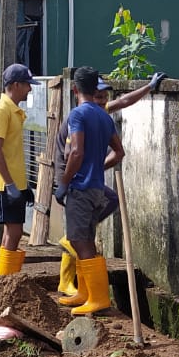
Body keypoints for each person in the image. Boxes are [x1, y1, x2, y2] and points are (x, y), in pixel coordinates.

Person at [54, 70, 167, 296]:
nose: (104, 100)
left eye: (105, 96)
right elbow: (70, 154)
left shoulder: (98, 113)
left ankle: (88, 292)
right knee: (76, 237)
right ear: (88, 94)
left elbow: (124, 101)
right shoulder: (79, 117)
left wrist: (148, 87)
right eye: (99, 96)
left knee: (82, 234)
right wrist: (65, 182)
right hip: (71, 176)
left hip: (85, 179)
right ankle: (69, 283)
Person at [53, 66, 125, 314]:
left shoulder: (78, 114)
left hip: (81, 189)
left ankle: (98, 299)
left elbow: (76, 152)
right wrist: (98, 167)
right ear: (95, 89)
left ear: (75, 89)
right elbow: (119, 152)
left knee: (78, 241)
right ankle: (85, 293)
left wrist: (64, 182)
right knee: (87, 240)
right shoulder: (104, 116)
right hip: (97, 188)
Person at [0, 63, 38, 276]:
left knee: (14, 232)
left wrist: (22, 185)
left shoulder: (13, 110)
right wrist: (9, 184)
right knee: (14, 232)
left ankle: (8, 280)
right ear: (16, 85)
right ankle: (5, 281)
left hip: (13, 182)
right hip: (4, 183)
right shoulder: (1, 109)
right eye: (28, 85)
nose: (30, 89)